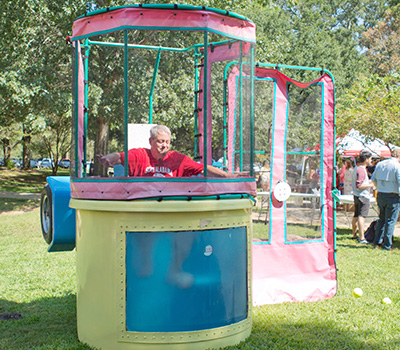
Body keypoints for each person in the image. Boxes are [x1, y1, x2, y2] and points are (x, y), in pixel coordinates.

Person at [98, 125, 235, 178]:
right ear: (150, 141)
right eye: (160, 141)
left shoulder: (178, 158)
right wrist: (107, 159)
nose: (164, 145)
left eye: (167, 142)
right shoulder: (139, 154)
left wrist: (228, 176)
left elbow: (203, 169)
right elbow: (119, 156)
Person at [371, 148, 400, 251]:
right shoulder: (397, 166)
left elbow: (373, 180)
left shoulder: (380, 164)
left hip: (381, 194)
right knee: (390, 221)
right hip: (393, 195)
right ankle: (387, 244)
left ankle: (376, 241)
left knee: (381, 219)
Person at [351, 150, 374, 243]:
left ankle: (354, 234)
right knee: (362, 216)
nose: (371, 161)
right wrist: (371, 185)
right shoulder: (361, 169)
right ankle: (361, 238)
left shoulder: (357, 168)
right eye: (371, 159)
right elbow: (359, 185)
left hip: (357, 195)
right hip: (363, 196)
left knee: (356, 216)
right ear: (366, 159)